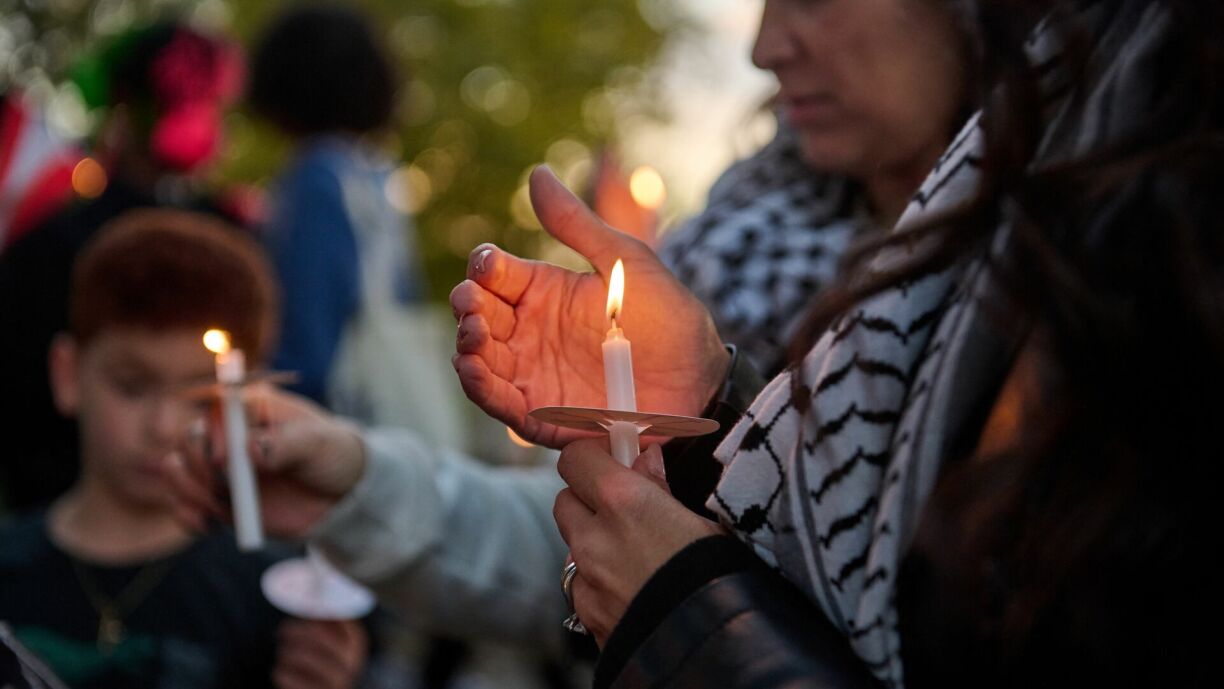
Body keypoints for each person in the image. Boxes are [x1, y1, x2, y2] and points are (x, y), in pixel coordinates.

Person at [450, 0, 1223, 687]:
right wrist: (705, 409)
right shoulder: (1038, 205)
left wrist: (691, 625)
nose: (764, 47)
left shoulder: (1150, 215)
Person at [0, 209, 367, 689]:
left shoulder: (276, 599)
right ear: (68, 374)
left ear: (249, 398)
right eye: (132, 387)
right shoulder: (9, 570)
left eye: (200, 399)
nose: (164, 427)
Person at [0, 20, 247, 511]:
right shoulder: (55, 243)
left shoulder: (232, 234)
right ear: (126, 104)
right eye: (176, 99)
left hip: (204, 512)